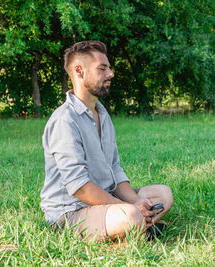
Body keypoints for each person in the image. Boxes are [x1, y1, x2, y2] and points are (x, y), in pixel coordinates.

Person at [40, 40, 173, 241]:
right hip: (70, 212)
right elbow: (80, 187)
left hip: (105, 200)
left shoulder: (102, 114)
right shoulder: (64, 120)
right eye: (102, 68)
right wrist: (128, 208)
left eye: (109, 68)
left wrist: (137, 201)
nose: (110, 74)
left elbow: (114, 169)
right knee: (130, 215)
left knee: (163, 195)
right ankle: (132, 230)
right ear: (79, 71)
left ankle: (133, 226)